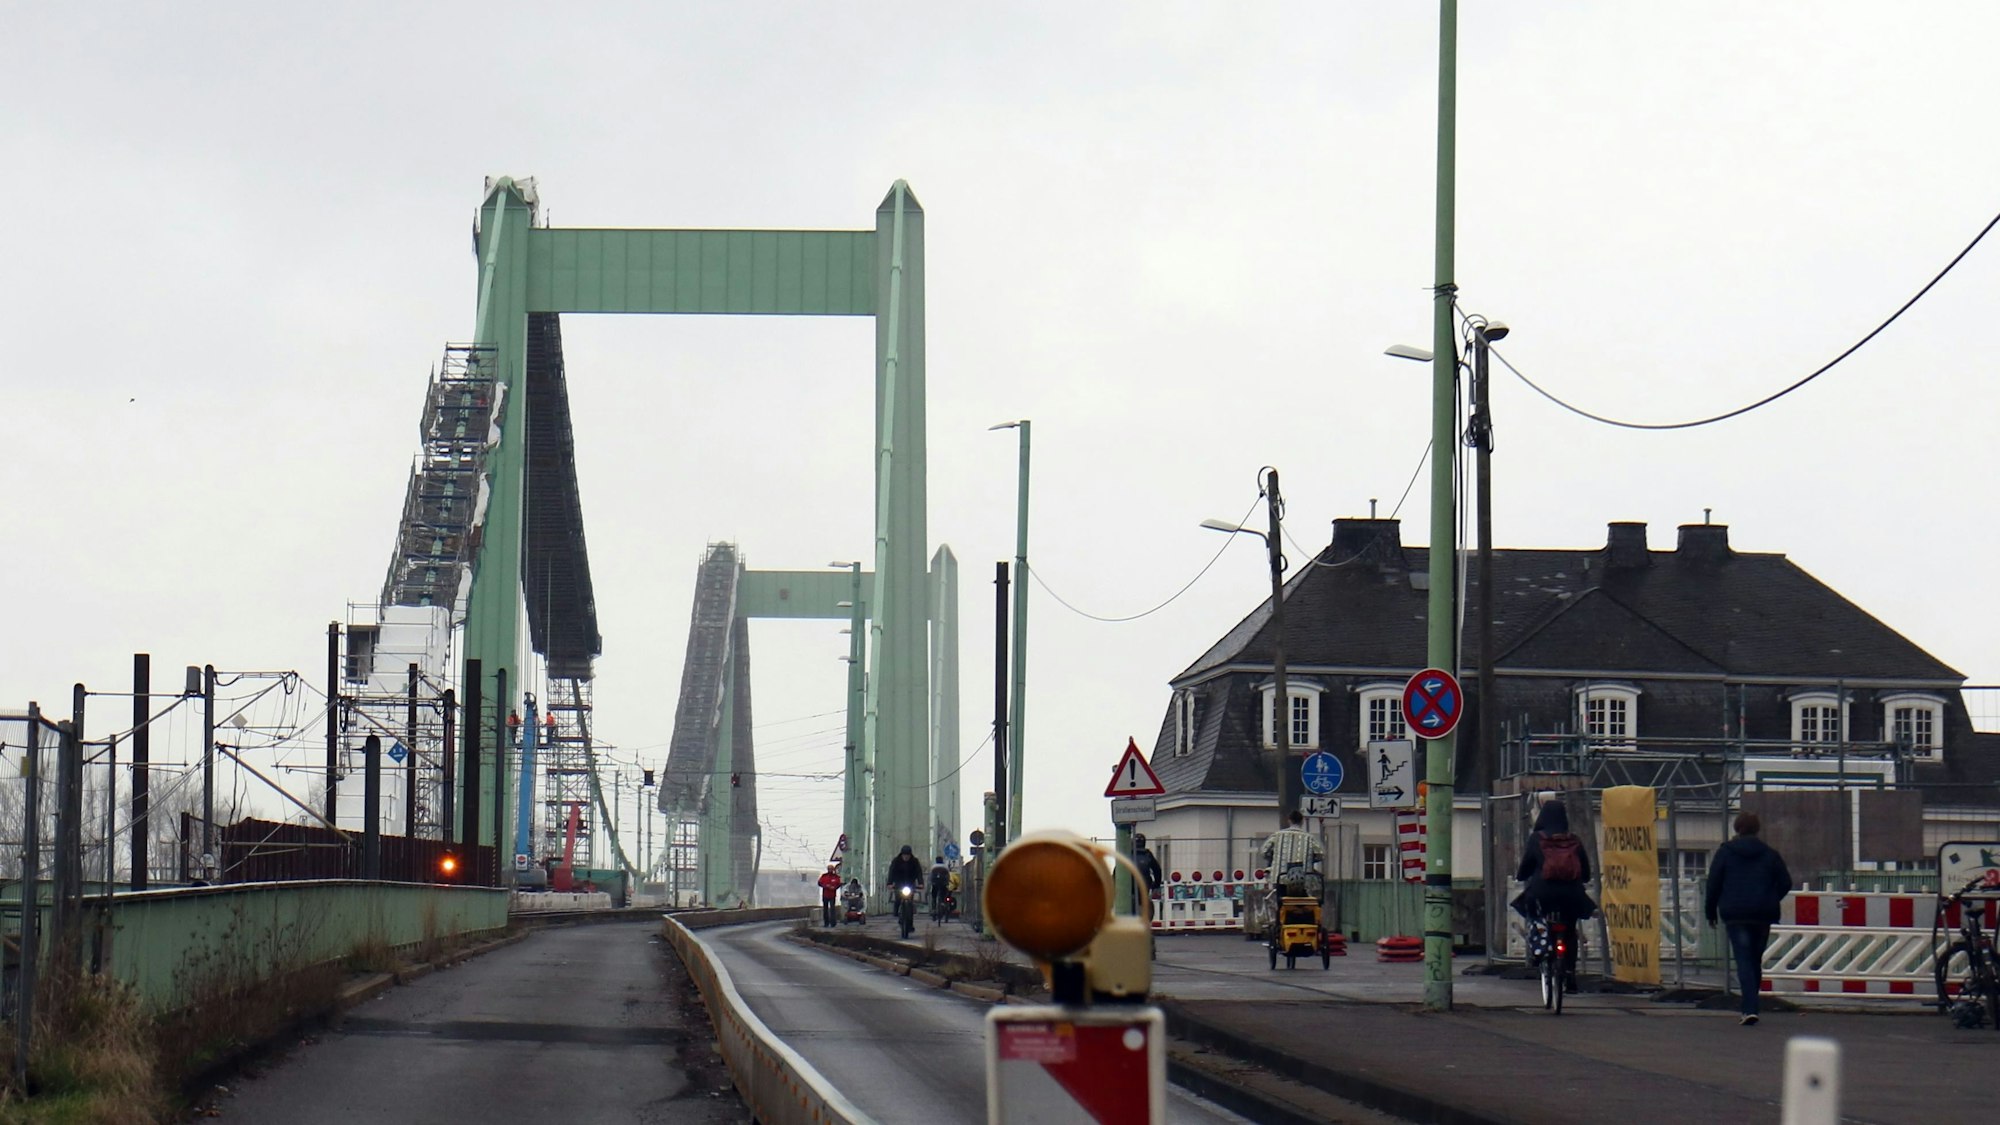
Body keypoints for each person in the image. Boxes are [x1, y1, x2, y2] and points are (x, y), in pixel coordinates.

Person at [1705, 811, 1793, 1026]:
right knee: (1755, 960)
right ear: (1757, 829)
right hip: (1763, 914)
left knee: (1743, 959)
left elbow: (1713, 883)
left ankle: (1749, 1008)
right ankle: (1751, 1005)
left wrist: (1711, 911)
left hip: (1736, 914)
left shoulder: (1725, 852)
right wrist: (1771, 898)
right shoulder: (1770, 854)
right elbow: (1786, 882)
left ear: (1737, 828)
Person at [1514, 798, 1597, 993]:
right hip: (1571, 893)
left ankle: (1538, 951)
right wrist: (1581, 880)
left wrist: (1522, 875)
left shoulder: (1537, 839)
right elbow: (1585, 871)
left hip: (1543, 892)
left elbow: (1525, 868)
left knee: (1534, 915)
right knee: (1569, 930)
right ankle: (1570, 973)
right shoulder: (1574, 840)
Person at [1260, 811, 1325, 894]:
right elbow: (1321, 854)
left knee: (1282, 900)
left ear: (1289, 821)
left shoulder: (1277, 835)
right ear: (1302, 821)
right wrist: (1311, 859)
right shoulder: (1309, 838)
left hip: (1280, 877)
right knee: (1302, 900)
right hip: (1303, 878)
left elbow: (1264, 851)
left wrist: (1273, 858)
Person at [1133, 833, 1164, 902]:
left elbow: (1117, 871)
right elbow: (1157, 870)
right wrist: (1156, 885)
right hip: (1144, 884)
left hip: (1128, 886)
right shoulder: (1148, 855)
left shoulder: (1127, 854)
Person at [816, 863, 844, 928]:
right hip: (825, 895)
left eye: (831, 869)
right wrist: (826, 886)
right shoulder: (824, 876)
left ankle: (833, 923)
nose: (830, 870)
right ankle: (826, 923)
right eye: (829, 869)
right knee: (825, 910)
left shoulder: (836, 877)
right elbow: (819, 883)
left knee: (832, 909)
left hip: (832, 895)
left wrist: (834, 887)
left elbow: (839, 884)